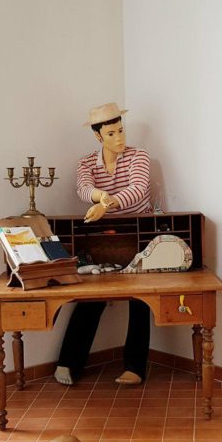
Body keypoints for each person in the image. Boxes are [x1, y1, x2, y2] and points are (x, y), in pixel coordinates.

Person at [54, 102, 152, 386]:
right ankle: (69, 362)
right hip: (102, 238)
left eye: (121, 130)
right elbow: (83, 188)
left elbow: (137, 189)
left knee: (141, 296)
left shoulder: (139, 156)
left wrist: (106, 205)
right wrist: (100, 197)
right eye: (111, 133)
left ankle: (135, 366)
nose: (119, 137)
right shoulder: (86, 163)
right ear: (98, 136)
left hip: (139, 235)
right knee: (91, 293)